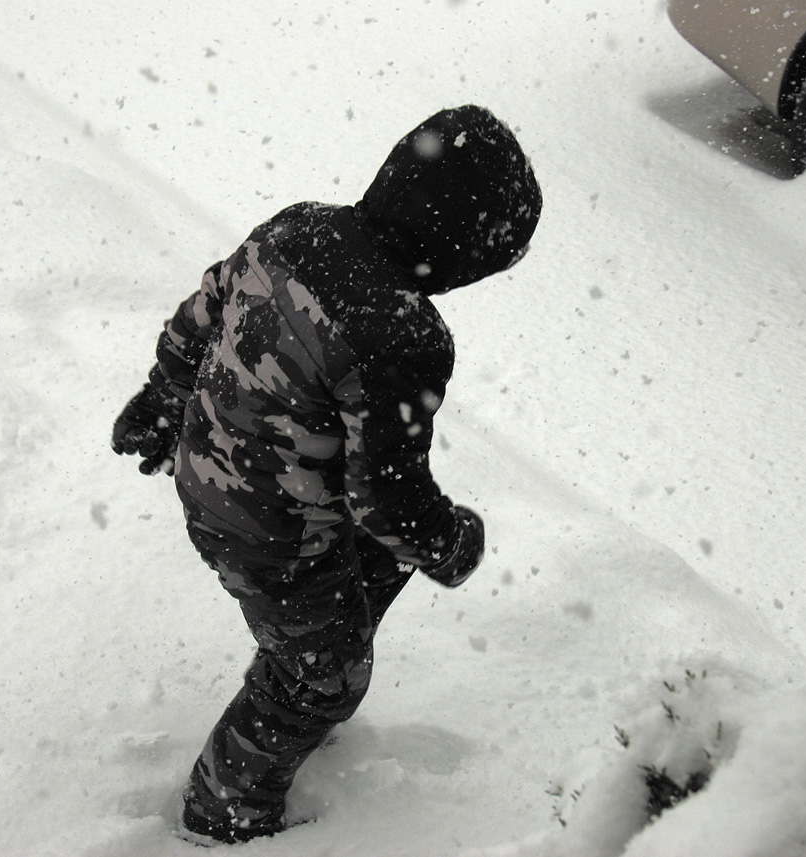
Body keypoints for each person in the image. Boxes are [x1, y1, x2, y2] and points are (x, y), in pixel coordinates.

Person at [111, 104, 542, 844]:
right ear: (464, 251)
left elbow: (206, 308)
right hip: (270, 532)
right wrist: (450, 543)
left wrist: (162, 397)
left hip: (209, 465)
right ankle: (223, 810)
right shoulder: (403, 336)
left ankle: (311, 637)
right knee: (323, 677)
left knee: (361, 578)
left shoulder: (300, 227)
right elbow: (387, 501)